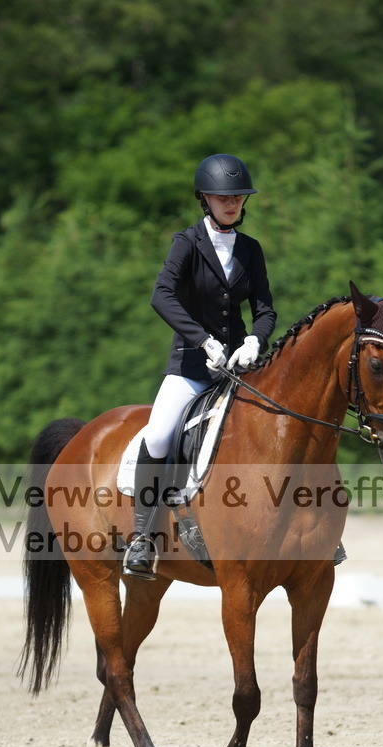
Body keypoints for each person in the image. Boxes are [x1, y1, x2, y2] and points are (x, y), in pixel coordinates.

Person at [124, 153, 277, 578]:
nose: (232, 203)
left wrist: (254, 340)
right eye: (222, 197)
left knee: (279, 428)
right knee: (157, 435)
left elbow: (264, 309)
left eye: (238, 197)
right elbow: (161, 295)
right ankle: (141, 537)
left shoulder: (251, 249)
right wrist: (202, 339)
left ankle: (310, 529)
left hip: (240, 369)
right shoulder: (187, 243)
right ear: (204, 198)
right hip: (192, 366)